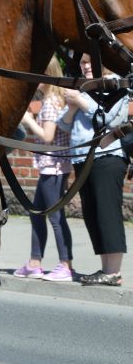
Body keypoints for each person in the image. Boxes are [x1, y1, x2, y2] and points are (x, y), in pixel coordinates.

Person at [62, 55, 127, 287]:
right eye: (83, 63)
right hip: (82, 158)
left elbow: (112, 119)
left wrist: (81, 102)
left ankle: (113, 271)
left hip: (107, 156)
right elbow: (63, 125)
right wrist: (72, 108)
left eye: (90, 62)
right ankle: (105, 268)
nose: (86, 66)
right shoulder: (82, 87)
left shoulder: (115, 84)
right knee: (92, 214)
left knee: (107, 213)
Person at [15, 79, 74, 281]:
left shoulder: (50, 103)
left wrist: (28, 120)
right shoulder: (56, 100)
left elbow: (47, 137)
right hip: (53, 166)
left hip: (53, 167)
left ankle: (66, 265)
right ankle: (34, 263)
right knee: (36, 214)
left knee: (55, 218)